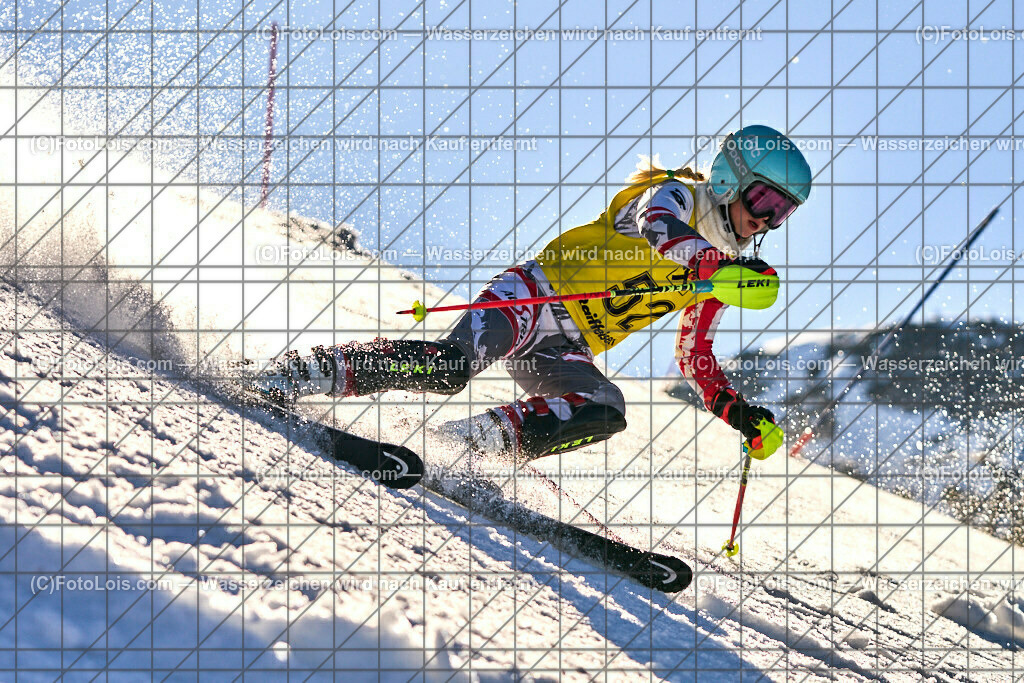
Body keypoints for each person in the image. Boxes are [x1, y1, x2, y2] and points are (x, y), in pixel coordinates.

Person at [248, 125, 811, 462]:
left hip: (564, 347)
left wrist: (738, 412)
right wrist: (713, 263)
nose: (767, 220)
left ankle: (457, 449)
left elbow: (694, 355)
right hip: (530, 299)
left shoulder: (722, 273)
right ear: (731, 178)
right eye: (764, 200)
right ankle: (303, 372)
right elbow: (656, 225)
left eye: (782, 212)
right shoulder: (679, 196)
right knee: (449, 366)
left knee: (605, 408)